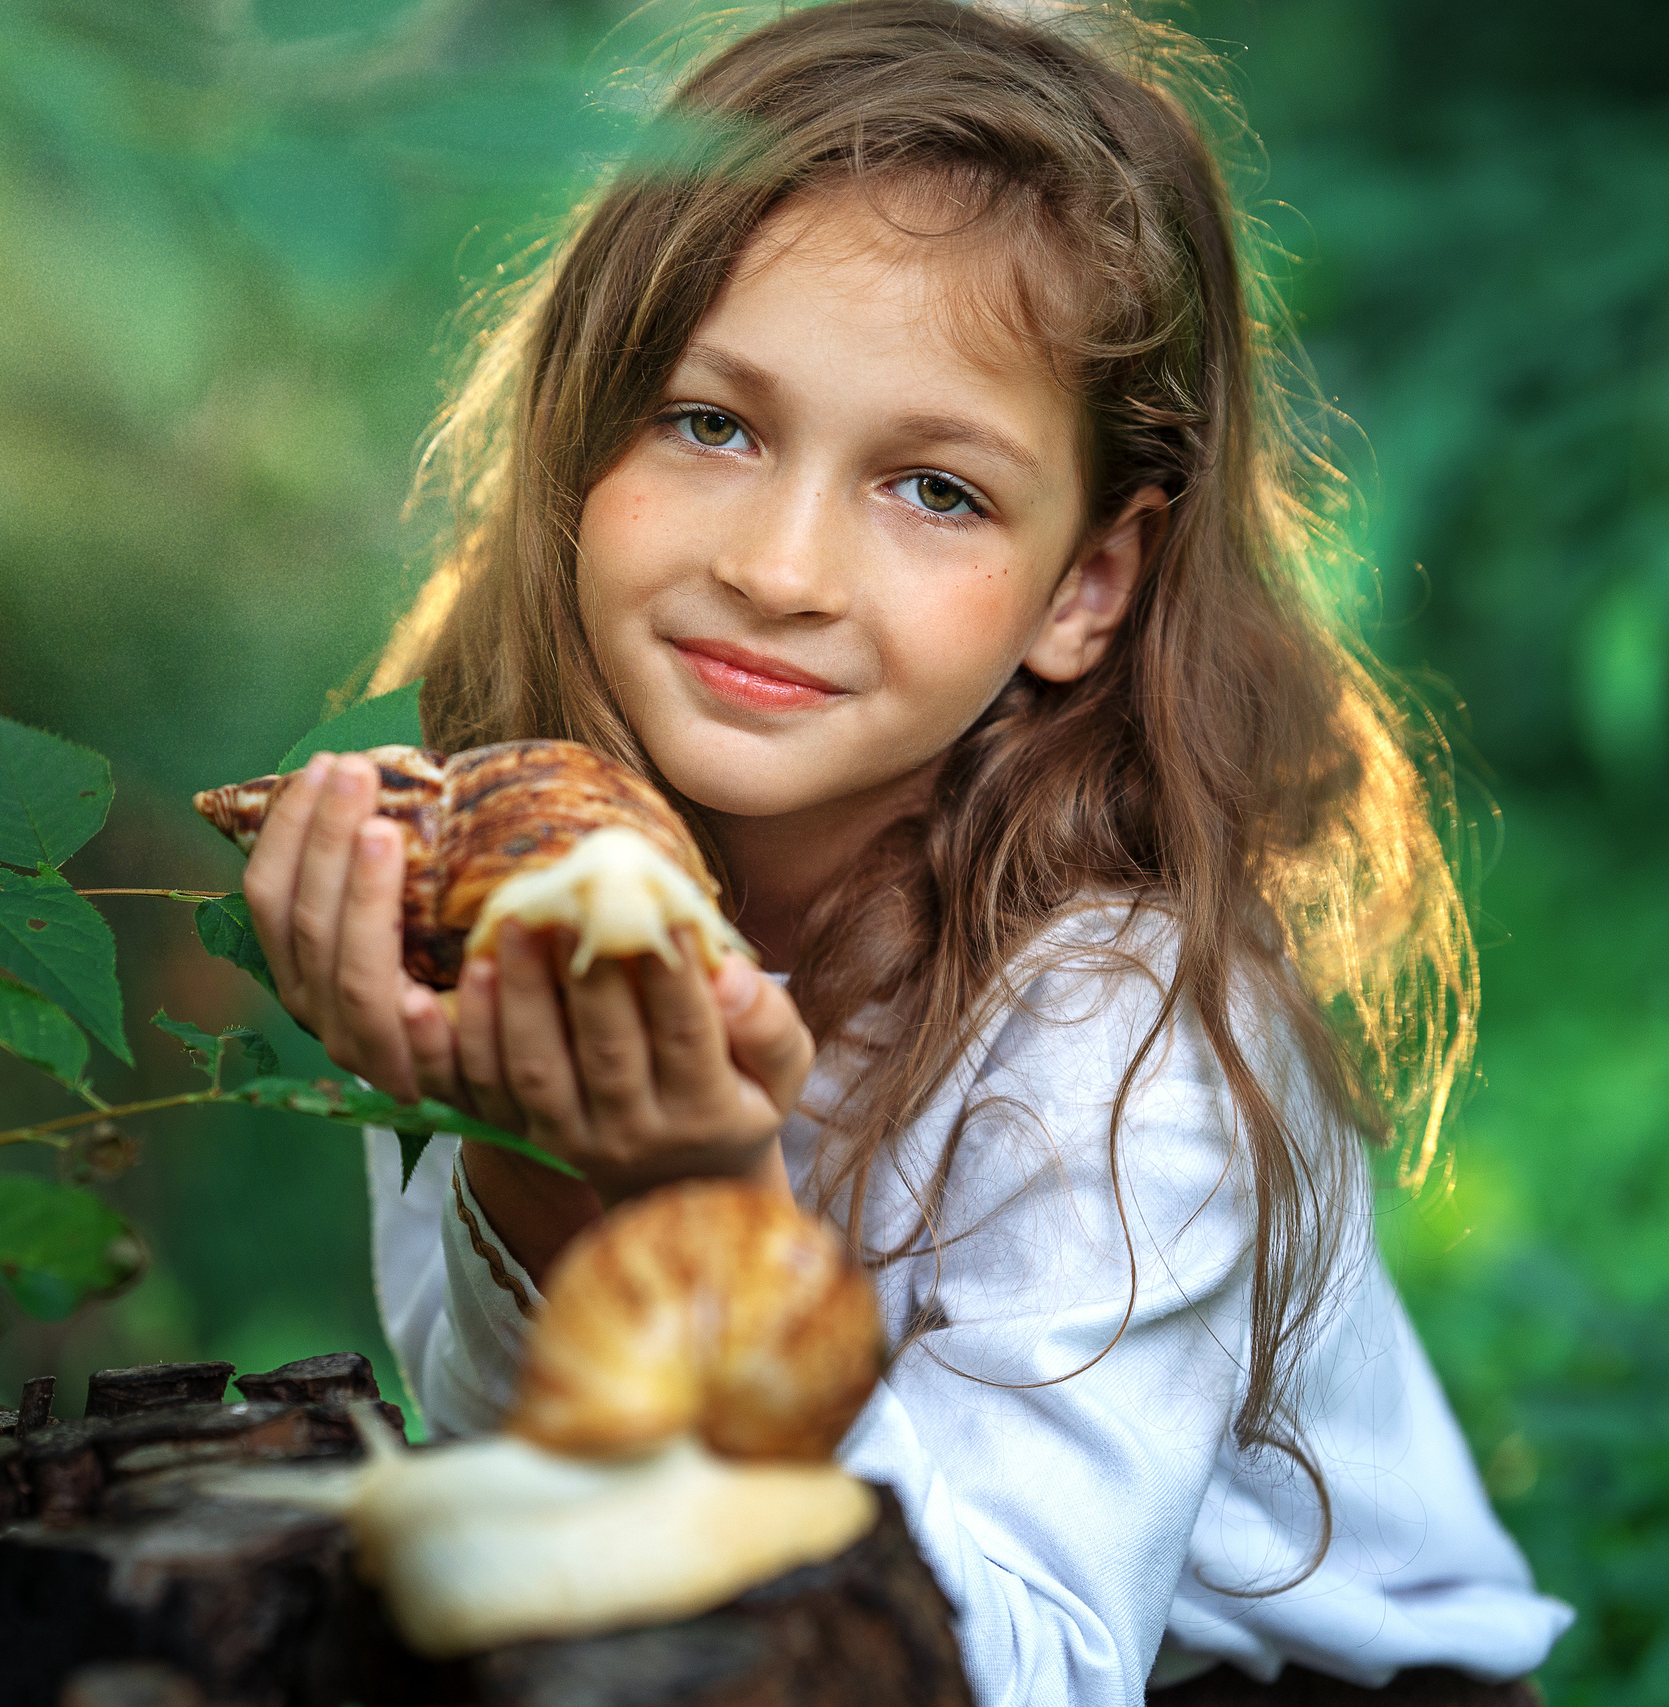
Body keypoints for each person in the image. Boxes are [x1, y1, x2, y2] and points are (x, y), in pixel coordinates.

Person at [237, 2, 1573, 1702]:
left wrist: (714, 1220)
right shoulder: (506, 874)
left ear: (1087, 585)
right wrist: (534, 1164)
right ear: (585, 431)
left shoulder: (1124, 1025)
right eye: (710, 422)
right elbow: (562, 1485)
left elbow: (1017, 1668)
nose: (783, 569)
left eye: (934, 487)